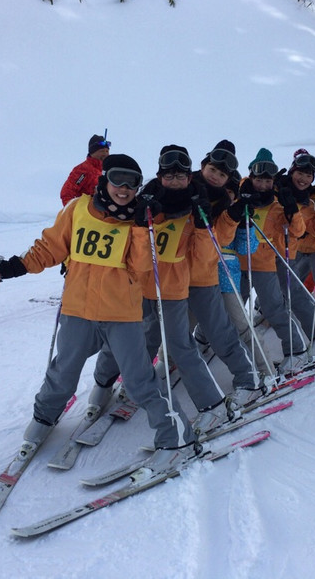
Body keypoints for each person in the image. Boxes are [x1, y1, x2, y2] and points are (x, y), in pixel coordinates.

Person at [0, 153, 196, 474]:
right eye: (117, 179)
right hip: (77, 310)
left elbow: (141, 267)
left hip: (122, 314)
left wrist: (142, 228)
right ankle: (44, 417)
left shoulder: (141, 220)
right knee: (63, 372)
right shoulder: (78, 209)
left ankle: (175, 435)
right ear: (104, 179)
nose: (124, 189)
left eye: (132, 183)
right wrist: (16, 266)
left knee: (140, 379)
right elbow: (50, 247)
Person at [91, 145, 230, 435]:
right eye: (169, 175)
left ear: (189, 178)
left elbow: (206, 257)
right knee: (135, 339)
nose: (175, 181)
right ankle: (120, 385)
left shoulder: (196, 203)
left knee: (180, 346)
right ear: (159, 176)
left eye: (180, 176)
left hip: (173, 288)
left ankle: (212, 404)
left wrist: (203, 225)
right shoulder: (145, 200)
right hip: (141, 285)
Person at [187, 140, 273, 407]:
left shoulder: (233, 212)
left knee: (239, 324)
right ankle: (170, 362)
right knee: (181, 326)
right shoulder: (199, 200)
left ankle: (266, 368)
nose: (217, 178)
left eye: (231, 190)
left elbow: (247, 248)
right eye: (213, 170)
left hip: (224, 275)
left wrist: (244, 223)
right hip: (191, 275)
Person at [238, 148, 309, 374]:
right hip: (236, 264)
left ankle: (296, 351)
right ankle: (234, 352)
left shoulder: (277, 206)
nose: (263, 185)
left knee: (274, 309)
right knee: (234, 311)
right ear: (251, 177)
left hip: (264, 265)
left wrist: (292, 210)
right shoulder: (240, 197)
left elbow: (298, 231)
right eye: (259, 179)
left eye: (268, 181)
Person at [275, 149, 315, 357]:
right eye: (300, 173)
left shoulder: (309, 202)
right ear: (292, 171)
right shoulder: (276, 187)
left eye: (308, 175)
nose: (303, 179)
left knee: (294, 292)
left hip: (286, 252)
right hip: (260, 252)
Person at [59, 133, 111, 205]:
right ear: (92, 152)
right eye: (102, 151)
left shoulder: (108, 170)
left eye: (107, 151)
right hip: (87, 211)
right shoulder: (83, 170)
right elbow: (67, 193)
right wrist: (74, 210)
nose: (105, 154)